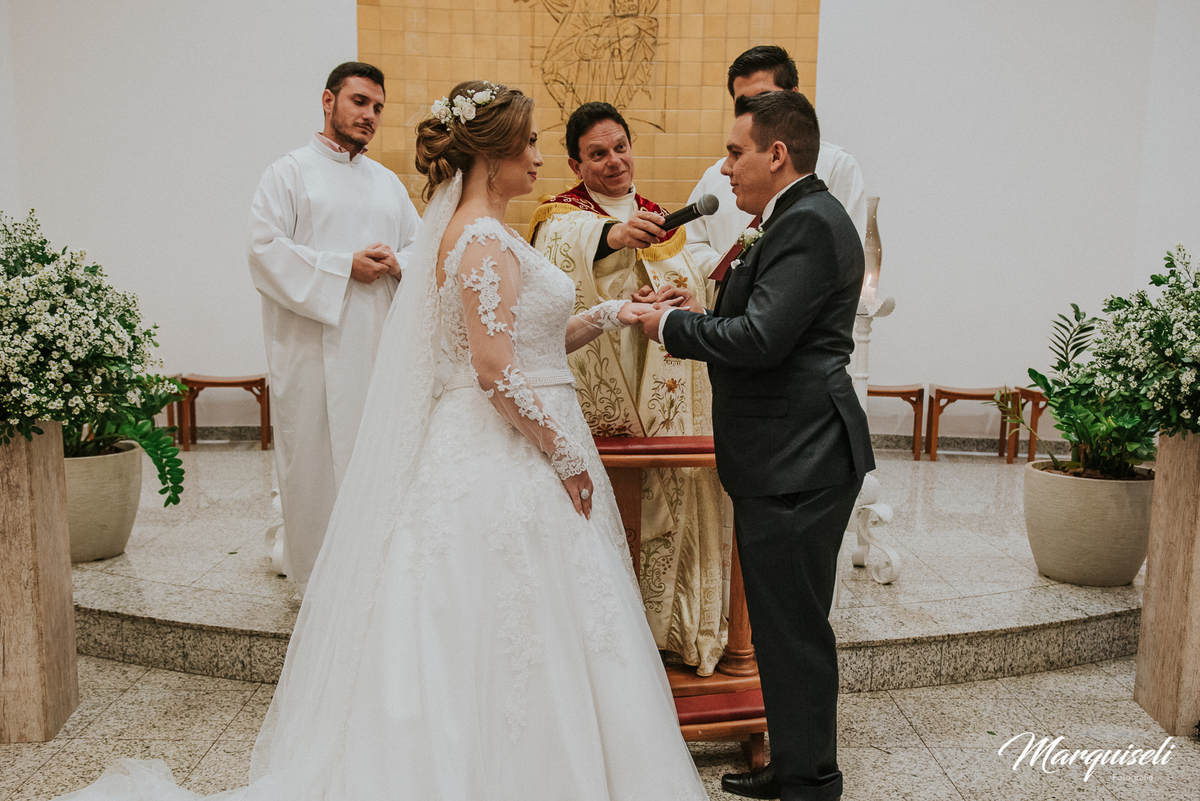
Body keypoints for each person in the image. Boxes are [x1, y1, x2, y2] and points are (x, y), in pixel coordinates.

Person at [53, 81, 708, 800]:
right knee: (509, 619)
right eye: (528, 143)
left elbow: (536, 339)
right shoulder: (483, 239)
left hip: (503, 441)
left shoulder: (483, 232)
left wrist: (617, 310)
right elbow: (493, 370)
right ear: (492, 154)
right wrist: (563, 454)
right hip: (504, 456)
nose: (538, 156)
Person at [638, 91, 875, 801]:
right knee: (778, 627)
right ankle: (795, 762)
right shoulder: (789, 219)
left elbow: (763, 340)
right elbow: (763, 316)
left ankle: (813, 781)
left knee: (795, 630)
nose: (724, 165)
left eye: (735, 151)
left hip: (801, 456)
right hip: (785, 453)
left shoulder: (807, 223)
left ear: (777, 154)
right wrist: (698, 311)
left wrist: (667, 332)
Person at [527, 101, 731, 675]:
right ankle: (613, 648)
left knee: (677, 498)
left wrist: (669, 298)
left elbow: (683, 277)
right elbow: (557, 282)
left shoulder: (660, 216)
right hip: (610, 393)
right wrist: (611, 240)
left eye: (620, 147)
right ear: (575, 163)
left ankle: (673, 626)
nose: (614, 161)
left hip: (666, 386)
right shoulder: (561, 217)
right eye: (598, 153)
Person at [248, 61, 420, 595]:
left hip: (375, 351)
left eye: (377, 108)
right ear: (328, 101)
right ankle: (317, 583)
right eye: (359, 102)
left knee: (377, 462)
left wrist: (398, 264)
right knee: (314, 468)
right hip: (311, 354)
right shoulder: (289, 173)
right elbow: (264, 251)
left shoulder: (388, 183)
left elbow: (419, 248)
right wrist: (344, 266)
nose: (369, 115)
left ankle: (371, 579)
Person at [686, 45, 867, 283]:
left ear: (794, 96)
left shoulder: (837, 166)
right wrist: (734, 269)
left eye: (763, 99)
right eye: (743, 104)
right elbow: (689, 246)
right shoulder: (716, 176)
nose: (754, 111)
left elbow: (842, 258)